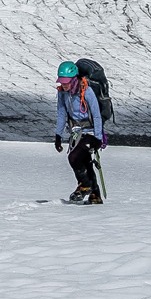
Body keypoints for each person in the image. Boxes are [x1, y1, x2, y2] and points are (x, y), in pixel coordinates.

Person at [55, 59, 105, 204]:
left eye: (66, 82)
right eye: (62, 82)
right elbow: (61, 114)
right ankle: (95, 195)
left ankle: (85, 185)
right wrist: (58, 136)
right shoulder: (62, 93)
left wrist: (98, 138)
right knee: (85, 162)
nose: (64, 85)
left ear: (74, 79)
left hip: (91, 133)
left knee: (74, 158)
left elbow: (96, 115)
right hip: (76, 132)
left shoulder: (87, 91)